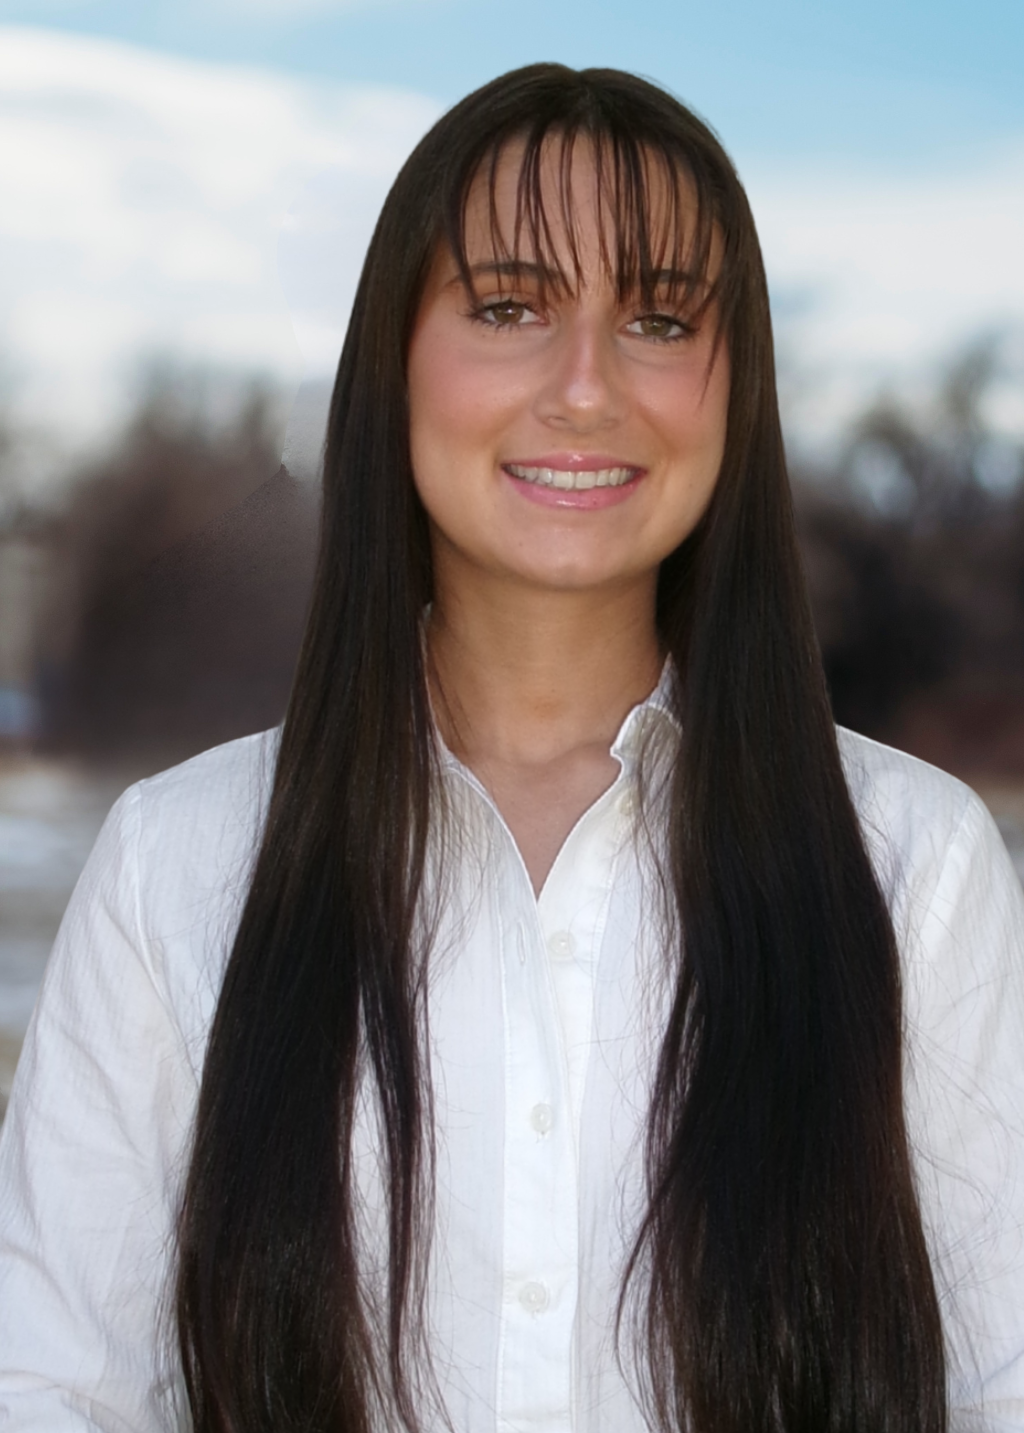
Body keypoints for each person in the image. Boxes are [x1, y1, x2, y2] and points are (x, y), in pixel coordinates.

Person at [1, 62, 1023, 1433]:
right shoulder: (174, 864)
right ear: (392, 361)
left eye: (659, 317)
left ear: (737, 391)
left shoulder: (916, 865)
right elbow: (51, 1389)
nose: (586, 388)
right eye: (508, 307)